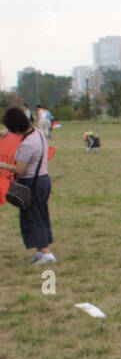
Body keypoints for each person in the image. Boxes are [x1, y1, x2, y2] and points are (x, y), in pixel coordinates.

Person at [2, 107, 55, 264]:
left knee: (33, 217)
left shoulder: (27, 145)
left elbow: (18, 169)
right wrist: (6, 133)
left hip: (32, 183)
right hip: (43, 179)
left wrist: (2, 165)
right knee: (39, 214)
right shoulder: (37, 133)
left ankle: (46, 252)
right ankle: (40, 250)